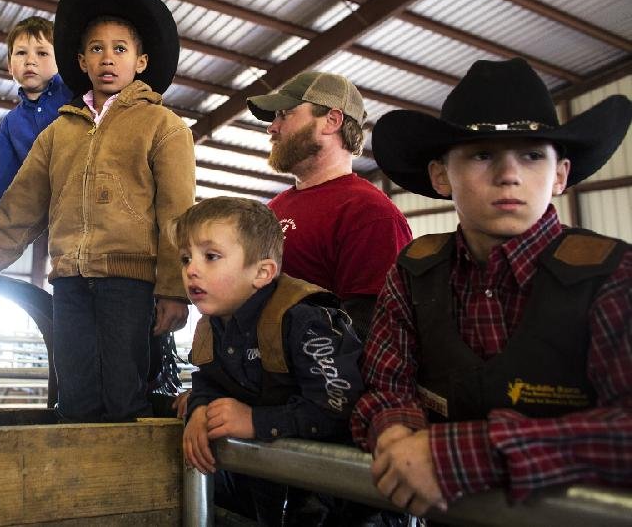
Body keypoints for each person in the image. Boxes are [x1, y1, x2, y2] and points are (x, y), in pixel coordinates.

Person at [351, 58, 632, 516]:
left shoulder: (614, 275)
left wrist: (458, 455)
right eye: (482, 154)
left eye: (531, 155)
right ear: (442, 175)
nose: (509, 174)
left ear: (559, 174)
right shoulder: (413, 271)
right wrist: (396, 435)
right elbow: (386, 387)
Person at [0, 0, 196, 422]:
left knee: (126, 393)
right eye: (96, 49)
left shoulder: (165, 126)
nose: (108, 58)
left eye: (120, 48)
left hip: (130, 283)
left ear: (140, 62)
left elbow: (177, 215)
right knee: (76, 394)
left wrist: (174, 289)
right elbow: (21, 203)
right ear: (81, 62)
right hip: (68, 280)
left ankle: (128, 488)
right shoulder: (59, 132)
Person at [177, 196, 364, 525]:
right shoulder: (212, 325)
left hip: (338, 497)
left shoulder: (304, 320)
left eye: (211, 257)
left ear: (262, 272)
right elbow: (208, 380)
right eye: (186, 258)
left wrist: (256, 421)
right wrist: (199, 409)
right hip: (271, 486)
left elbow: (340, 406)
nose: (191, 269)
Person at [247, 71, 412, 338]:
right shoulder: (273, 209)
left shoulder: (370, 213)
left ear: (332, 120)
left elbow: (372, 329)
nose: (272, 127)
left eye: (284, 114)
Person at [0, 16, 68, 238]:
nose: (30, 61)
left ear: (61, 61)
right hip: (59, 224)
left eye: (42, 53)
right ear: (9, 66)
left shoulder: (79, 96)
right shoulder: (11, 125)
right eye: (21, 53)